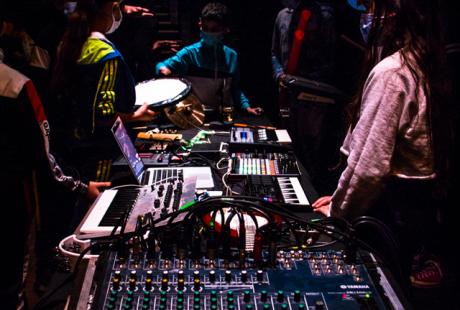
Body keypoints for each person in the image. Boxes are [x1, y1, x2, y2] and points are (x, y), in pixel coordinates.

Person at [312, 0, 450, 292]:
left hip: (390, 220)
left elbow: (369, 167)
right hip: (412, 218)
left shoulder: (393, 73)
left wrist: (339, 209)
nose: (366, 16)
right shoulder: (423, 63)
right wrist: (339, 195)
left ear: (392, 15)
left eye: (371, 7)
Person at [0, 43, 109, 309]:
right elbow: (44, 156)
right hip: (8, 199)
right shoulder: (15, 84)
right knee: (7, 282)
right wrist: (82, 187)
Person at [51, 0, 156, 184]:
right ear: (108, 10)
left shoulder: (68, 44)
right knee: (99, 202)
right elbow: (103, 115)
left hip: (69, 147)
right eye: (117, 7)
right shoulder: (104, 53)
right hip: (99, 150)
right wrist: (136, 115)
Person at [155, 2, 263, 116]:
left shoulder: (231, 56)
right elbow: (162, 65)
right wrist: (162, 68)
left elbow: (235, 88)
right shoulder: (189, 53)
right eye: (205, 28)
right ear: (200, 23)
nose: (209, 33)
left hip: (224, 116)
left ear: (225, 29)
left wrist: (246, 107)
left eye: (215, 29)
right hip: (195, 116)